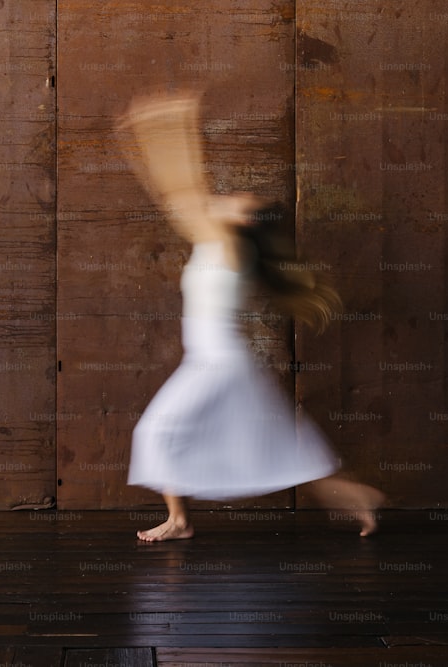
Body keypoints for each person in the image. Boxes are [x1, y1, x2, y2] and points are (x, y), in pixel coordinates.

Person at [119, 92, 385, 542]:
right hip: (214, 361)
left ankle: (180, 521)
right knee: (278, 446)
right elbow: (178, 196)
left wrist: (172, 126)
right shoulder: (214, 242)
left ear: (243, 224)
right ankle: (354, 497)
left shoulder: (228, 244)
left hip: (219, 363)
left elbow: (183, 189)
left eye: (239, 201)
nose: (229, 197)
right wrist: (148, 137)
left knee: (157, 430)